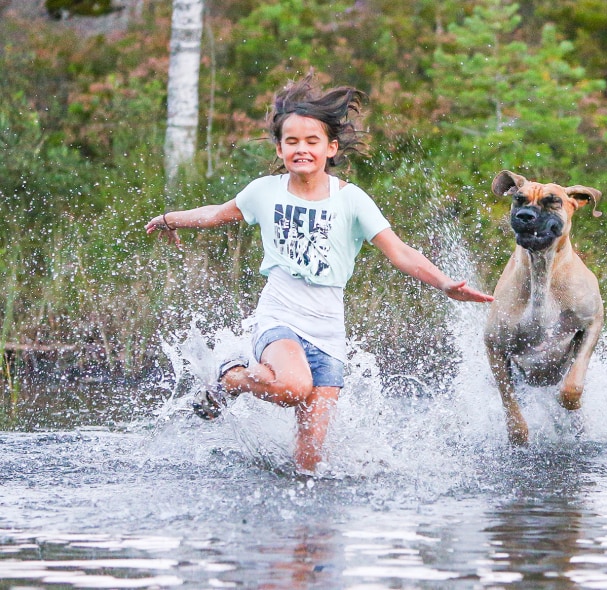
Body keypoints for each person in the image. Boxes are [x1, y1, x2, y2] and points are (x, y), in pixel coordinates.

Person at [146, 74, 493, 473]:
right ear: (279, 148)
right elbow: (216, 214)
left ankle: (305, 534)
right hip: (280, 316)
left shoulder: (351, 200)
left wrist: (446, 283)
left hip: (329, 331)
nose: (301, 149)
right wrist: (171, 218)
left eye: (312, 142)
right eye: (291, 141)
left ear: (330, 148)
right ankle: (231, 379)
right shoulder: (265, 191)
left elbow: (399, 251)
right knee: (293, 386)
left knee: (308, 464)